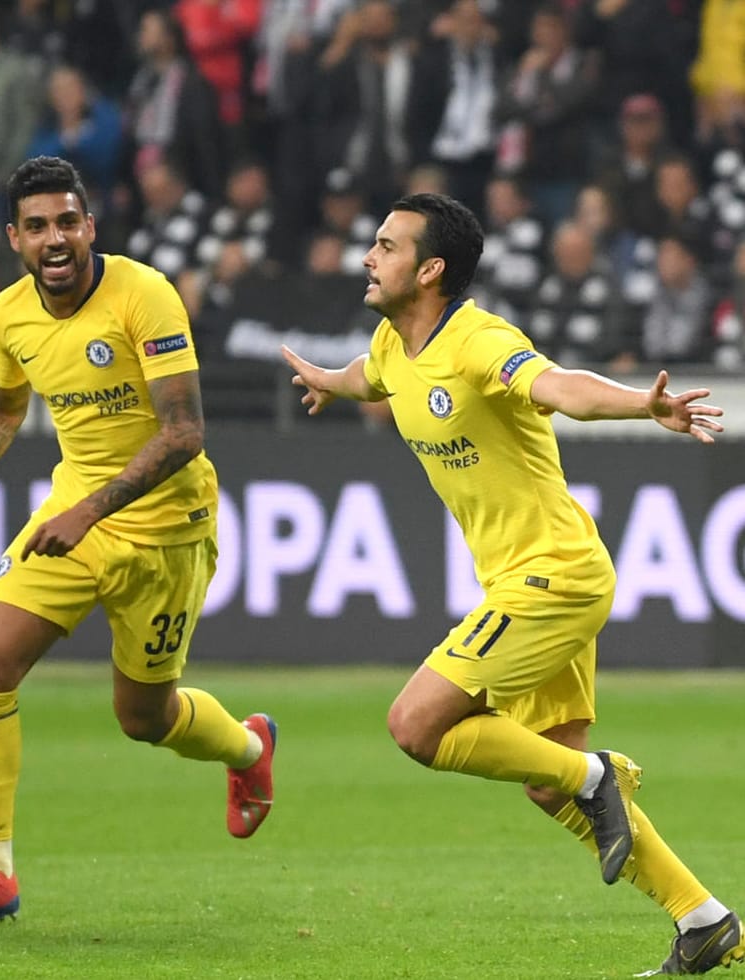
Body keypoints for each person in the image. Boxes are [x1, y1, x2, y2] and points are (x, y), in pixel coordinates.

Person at [280, 193, 741, 976]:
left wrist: (642, 404)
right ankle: (701, 920)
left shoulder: (479, 339)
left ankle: (596, 777)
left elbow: (560, 387)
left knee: (415, 725)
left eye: (386, 246)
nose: (368, 256)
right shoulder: (395, 344)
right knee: (546, 782)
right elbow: (377, 376)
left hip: (550, 577)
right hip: (530, 577)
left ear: (429, 269)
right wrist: (334, 380)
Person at [0, 156, 277, 925]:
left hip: (166, 526)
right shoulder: (9, 314)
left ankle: (246, 749)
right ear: (14, 237)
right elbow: (2, 411)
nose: (54, 239)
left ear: (89, 227)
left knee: (143, 717)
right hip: (74, 512)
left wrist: (91, 511)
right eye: (37, 225)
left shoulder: (143, 294)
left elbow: (183, 432)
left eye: (67, 222)